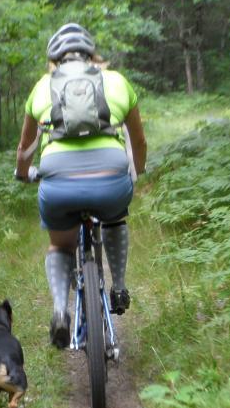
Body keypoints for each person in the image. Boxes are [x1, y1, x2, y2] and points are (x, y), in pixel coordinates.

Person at [15, 23, 148, 349]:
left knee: (60, 246)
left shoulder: (42, 87)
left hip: (58, 183)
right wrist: (137, 170)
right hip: (111, 180)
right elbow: (139, 141)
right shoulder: (116, 81)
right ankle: (118, 286)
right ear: (92, 55)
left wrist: (23, 173)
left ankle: (61, 310)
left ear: (54, 59)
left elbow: (24, 149)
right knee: (115, 217)